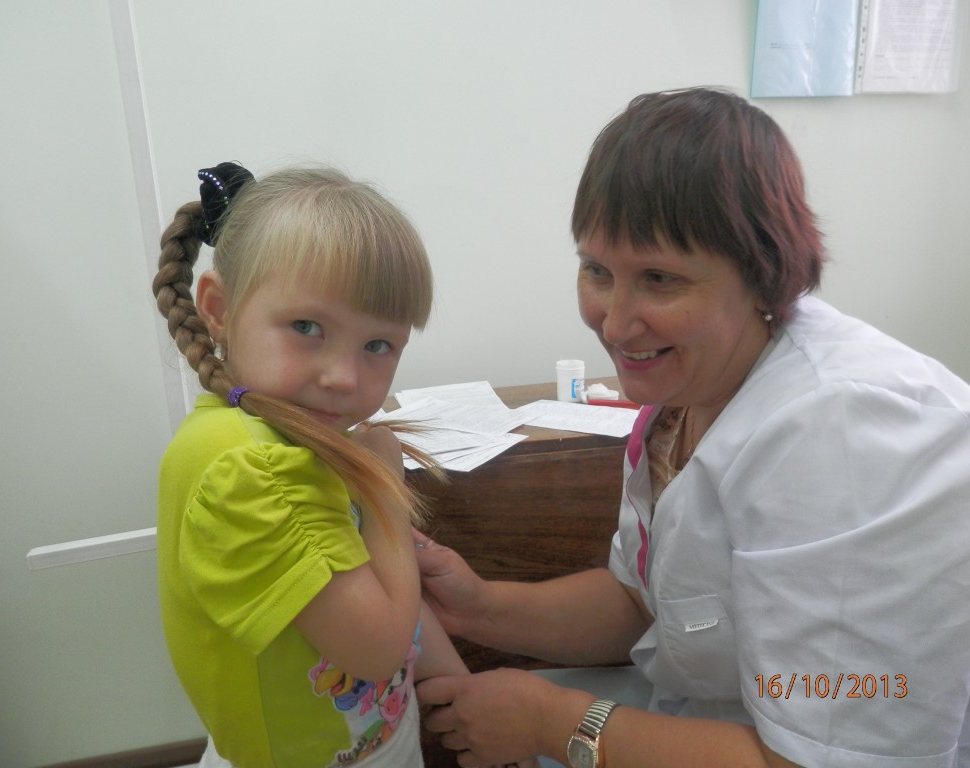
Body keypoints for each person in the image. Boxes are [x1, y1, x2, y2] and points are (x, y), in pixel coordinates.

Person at [416, 87, 970, 768]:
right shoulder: (688, 394)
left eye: (660, 279)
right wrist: (480, 608)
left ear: (765, 275)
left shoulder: (840, 435)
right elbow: (651, 606)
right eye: (597, 271)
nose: (616, 323)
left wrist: (554, 724)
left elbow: (830, 759)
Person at [152, 163, 469, 768]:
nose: (344, 378)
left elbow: (380, 584)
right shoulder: (252, 469)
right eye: (307, 327)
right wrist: (385, 486)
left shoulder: (293, 438)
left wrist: (459, 692)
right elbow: (378, 646)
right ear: (218, 308)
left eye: (378, 345)